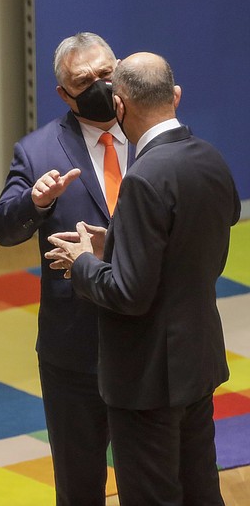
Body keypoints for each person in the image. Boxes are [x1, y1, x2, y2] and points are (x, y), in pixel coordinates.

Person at [46, 52, 241, 505]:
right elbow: (196, 233)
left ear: (119, 107)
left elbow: (129, 294)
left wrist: (81, 262)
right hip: (198, 361)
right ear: (175, 96)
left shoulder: (143, 178)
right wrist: (117, 240)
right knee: (200, 490)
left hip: (147, 377)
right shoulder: (210, 159)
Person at [0, 32, 132, 505]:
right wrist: (35, 200)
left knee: (154, 479)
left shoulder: (154, 134)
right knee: (78, 486)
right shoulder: (37, 150)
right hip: (74, 348)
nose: (98, 85)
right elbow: (3, 229)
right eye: (83, 80)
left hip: (148, 340)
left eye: (105, 74)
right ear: (62, 93)